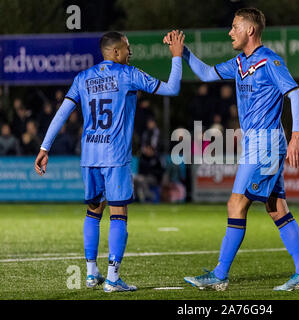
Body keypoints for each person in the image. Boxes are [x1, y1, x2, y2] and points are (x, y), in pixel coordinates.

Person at [165, 7, 299, 291]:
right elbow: (208, 74)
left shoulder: (270, 61)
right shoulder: (239, 62)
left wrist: (296, 137)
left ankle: (220, 275)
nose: (230, 31)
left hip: (266, 144)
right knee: (276, 207)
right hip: (254, 145)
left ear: (250, 30)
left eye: (235, 27)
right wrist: (182, 53)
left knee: (236, 203)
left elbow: (297, 97)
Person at [35, 31, 185, 293]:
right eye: (127, 48)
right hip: (114, 157)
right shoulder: (128, 74)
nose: (130, 52)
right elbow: (172, 88)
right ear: (115, 52)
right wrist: (176, 58)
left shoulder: (83, 78)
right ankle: (114, 279)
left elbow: (62, 113)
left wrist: (44, 146)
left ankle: (92, 273)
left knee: (93, 211)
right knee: (119, 214)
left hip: (90, 156)